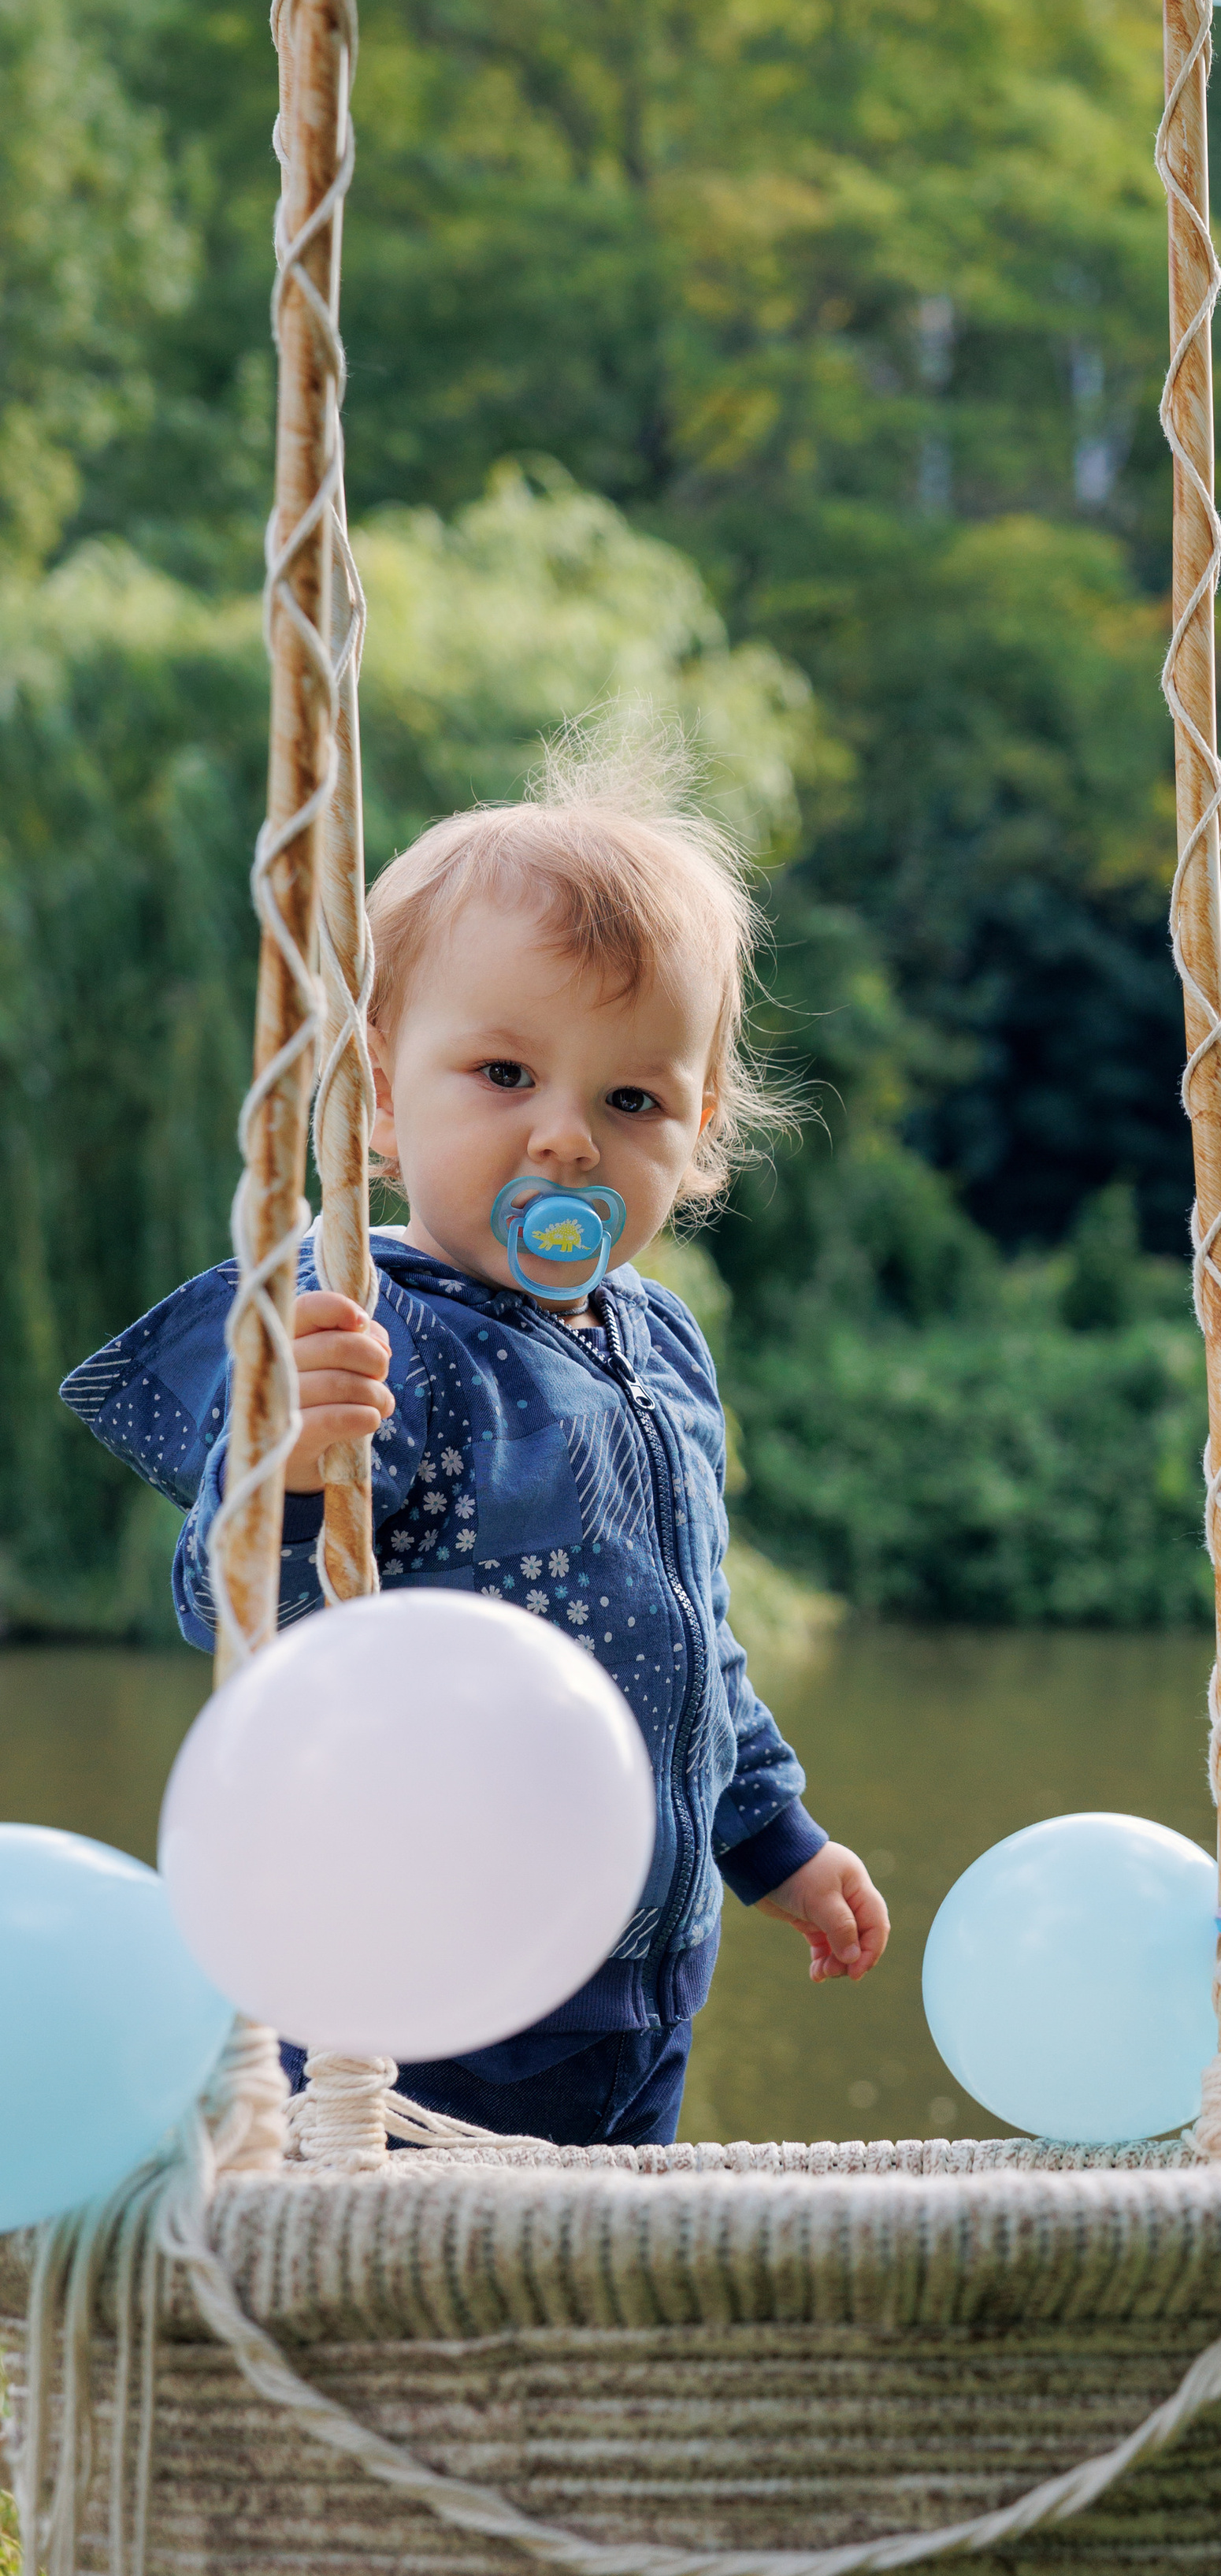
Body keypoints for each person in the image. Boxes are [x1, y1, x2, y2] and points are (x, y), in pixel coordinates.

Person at [60, 756, 888, 2146]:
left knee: (594, 2275)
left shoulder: (661, 1341)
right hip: (418, 1988)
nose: (566, 1140)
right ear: (379, 1101)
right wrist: (286, 1465)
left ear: (699, 1136)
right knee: (405, 2272)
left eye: (634, 1102)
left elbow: (689, 1638)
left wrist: (774, 1840)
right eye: (505, 1074)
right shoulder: (363, 1331)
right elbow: (240, 1619)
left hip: (637, 1987)